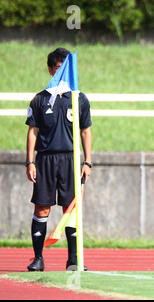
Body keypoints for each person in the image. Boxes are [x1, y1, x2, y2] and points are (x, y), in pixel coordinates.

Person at [25, 47, 92, 271]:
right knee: (42, 209)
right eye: (57, 68)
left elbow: (85, 131)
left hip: (71, 160)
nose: (60, 72)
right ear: (50, 69)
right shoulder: (40, 99)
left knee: (70, 210)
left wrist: (88, 161)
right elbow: (33, 131)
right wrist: (30, 162)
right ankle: (38, 259)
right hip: (45, 160)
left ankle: (74, 260)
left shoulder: (79, 99)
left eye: (65, 68)